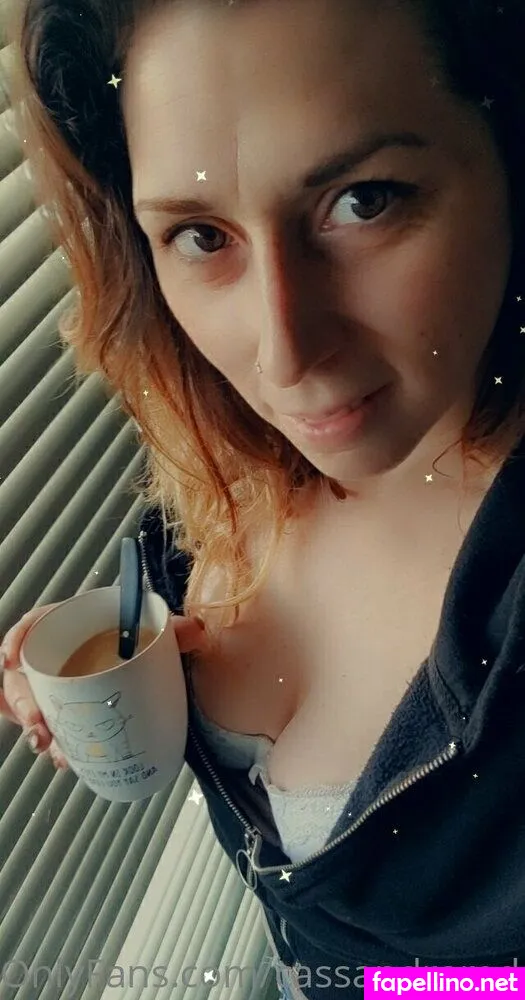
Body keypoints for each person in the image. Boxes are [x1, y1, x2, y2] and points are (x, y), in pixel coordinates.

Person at [2, 0, 525, 996]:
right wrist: (125, 666)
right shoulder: (219, 457)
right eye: (202, 235)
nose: (283, 357)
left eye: (364, 201)